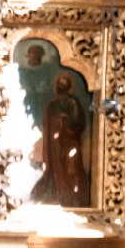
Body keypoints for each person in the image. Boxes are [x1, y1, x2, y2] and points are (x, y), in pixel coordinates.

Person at [36, 73, 89, 206]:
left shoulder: (73, 102)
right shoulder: (52, 105)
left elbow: (79, 122)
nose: (61, 87)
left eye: (64, 85)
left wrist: (65, 121)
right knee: (57, 169)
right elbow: (48, 125)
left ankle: (74, 197)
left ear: (68, 87)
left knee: (72, 168)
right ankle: (60, 195)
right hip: (56, 144)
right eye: (59, 84)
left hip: (70, 141)